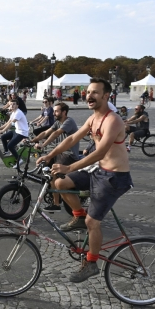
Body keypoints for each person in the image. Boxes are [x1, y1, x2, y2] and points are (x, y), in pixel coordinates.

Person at [36, 77, 132, 283]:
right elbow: (71, 139)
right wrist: (48, 153)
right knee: (60, 182)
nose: (89, 95)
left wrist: (69, 166)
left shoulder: (113, 120)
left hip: (115, 177)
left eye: (95, 92)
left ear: (106, 96)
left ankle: (91, 263)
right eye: (88, 92)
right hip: (98, 171)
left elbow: (101, 152)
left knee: (92, 222)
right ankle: (78, 215)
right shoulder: (92, 118)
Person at [30, 103, 79, 212]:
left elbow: (56, 133)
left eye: (56, 111)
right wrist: (33, 140)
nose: (54, 113)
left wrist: (43, 145)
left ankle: (56, 204)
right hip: (59, 152)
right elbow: (46, 132)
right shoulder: (57, 122)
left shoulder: (68, 122)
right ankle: (51, 190)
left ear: (64, 112)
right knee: (42, 167)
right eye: (54, 111)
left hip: (69, 155)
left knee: (53, 173)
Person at [0, 99, 29, 168]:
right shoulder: (13, 112)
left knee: (10, 145)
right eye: (11, 104)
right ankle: (6, 152)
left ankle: (19, 160)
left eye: (14, 104)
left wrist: (3, 130)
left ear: (17, 105)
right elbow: (8, 122)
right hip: (17, 131)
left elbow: (11, 124)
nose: (12, 105)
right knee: (3, 137)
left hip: (22, 133)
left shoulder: (18, 113)